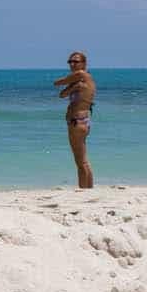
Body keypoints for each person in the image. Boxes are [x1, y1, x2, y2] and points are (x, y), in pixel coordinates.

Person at [54, 50, 96, 189]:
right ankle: (89, 190)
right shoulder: (82, 80)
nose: (72, 64)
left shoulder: (81, 74)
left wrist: (70, 84)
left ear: (84, 64)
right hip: (83, 121)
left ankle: (83, 190)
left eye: (76, 61)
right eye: (70, 62)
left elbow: (58, 83)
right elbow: (62, 94)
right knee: (83, 160)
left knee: (80, 162)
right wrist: (74, 87)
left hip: (77, 122)